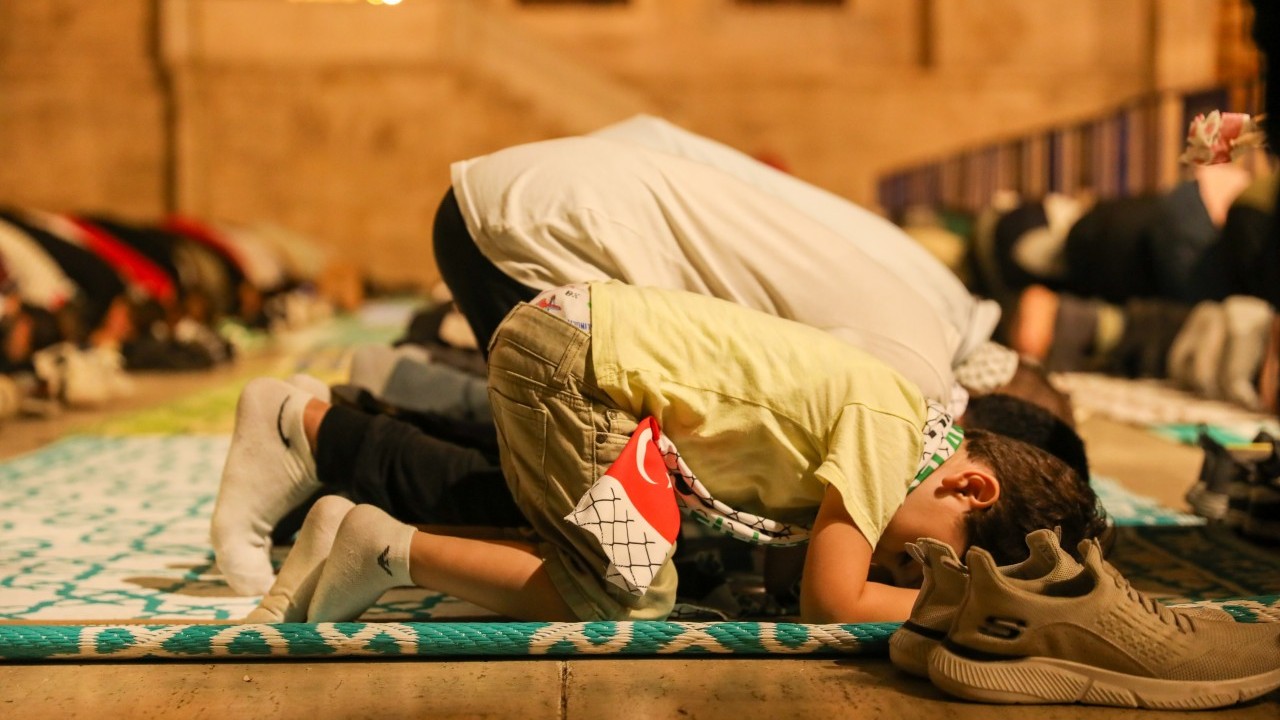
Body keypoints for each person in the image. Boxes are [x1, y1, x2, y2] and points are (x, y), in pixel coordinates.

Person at [216, 282, 1106, 624]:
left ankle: (339, 527)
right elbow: (832, 600)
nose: (893, 562)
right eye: (917, 559)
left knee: (603, 557)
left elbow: (807, 574)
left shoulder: (897, 430)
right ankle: (384, 547)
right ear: (970, 483)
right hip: (577, 366)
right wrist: (955, 615)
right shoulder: (890, 430)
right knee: (629, 597)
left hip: (571, 349)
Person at [436, 115, 1068, 422]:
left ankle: (392, 397)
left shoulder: (937, 317)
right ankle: (354, 458)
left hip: (572, 204)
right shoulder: (915, 366)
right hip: (553, 222)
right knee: (587, 512)